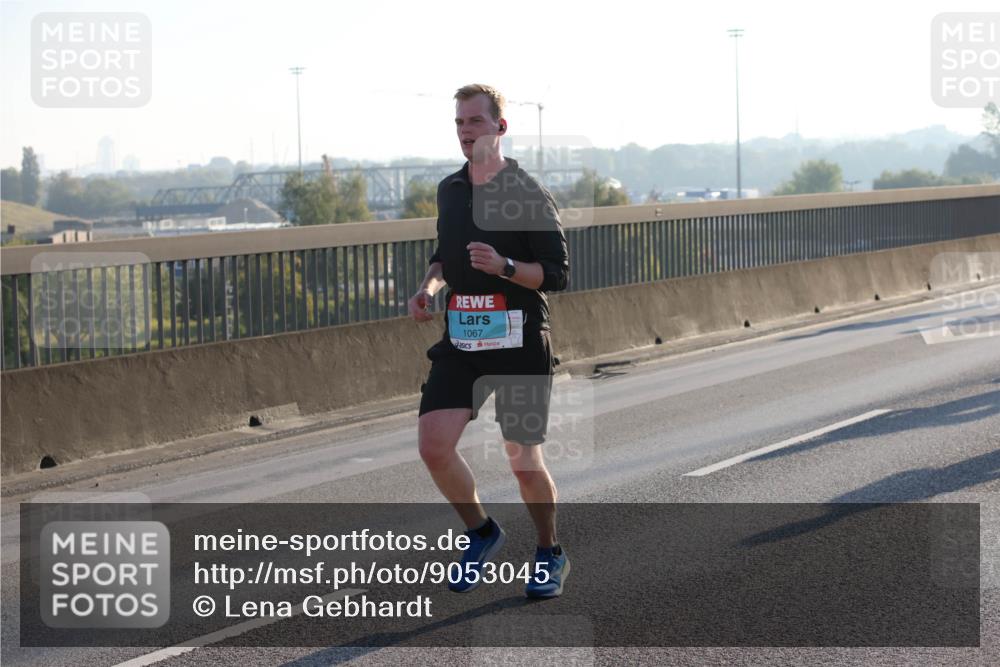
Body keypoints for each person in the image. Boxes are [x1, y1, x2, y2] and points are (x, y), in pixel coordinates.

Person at [407, 83, 570, 598]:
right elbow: (443, 253)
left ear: (500, 127)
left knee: (523, 460)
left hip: (520, 338)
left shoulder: (527, 193)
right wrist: (428, 288)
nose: (465, 132)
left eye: (474, 122)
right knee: (434, 446)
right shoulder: (451, 189)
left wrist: (504, 267)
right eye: (459, 123)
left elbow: (556, 274)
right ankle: (482, 531)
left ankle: (549, 552)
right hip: (463, 335)